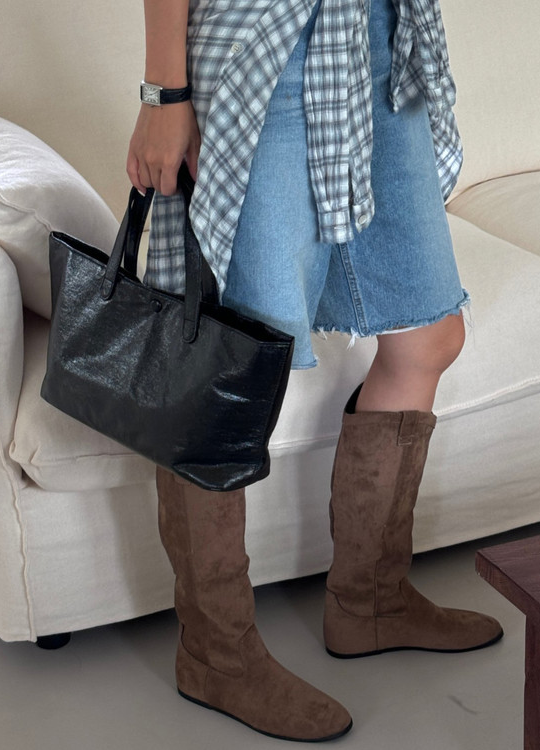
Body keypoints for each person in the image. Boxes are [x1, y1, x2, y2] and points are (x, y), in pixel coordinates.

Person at [126, 0, 503, 742]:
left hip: (381, 41)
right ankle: (215, 655)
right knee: (230, 372)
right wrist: (164, 94)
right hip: (270, 48)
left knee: (428, 334)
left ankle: (371, 602)